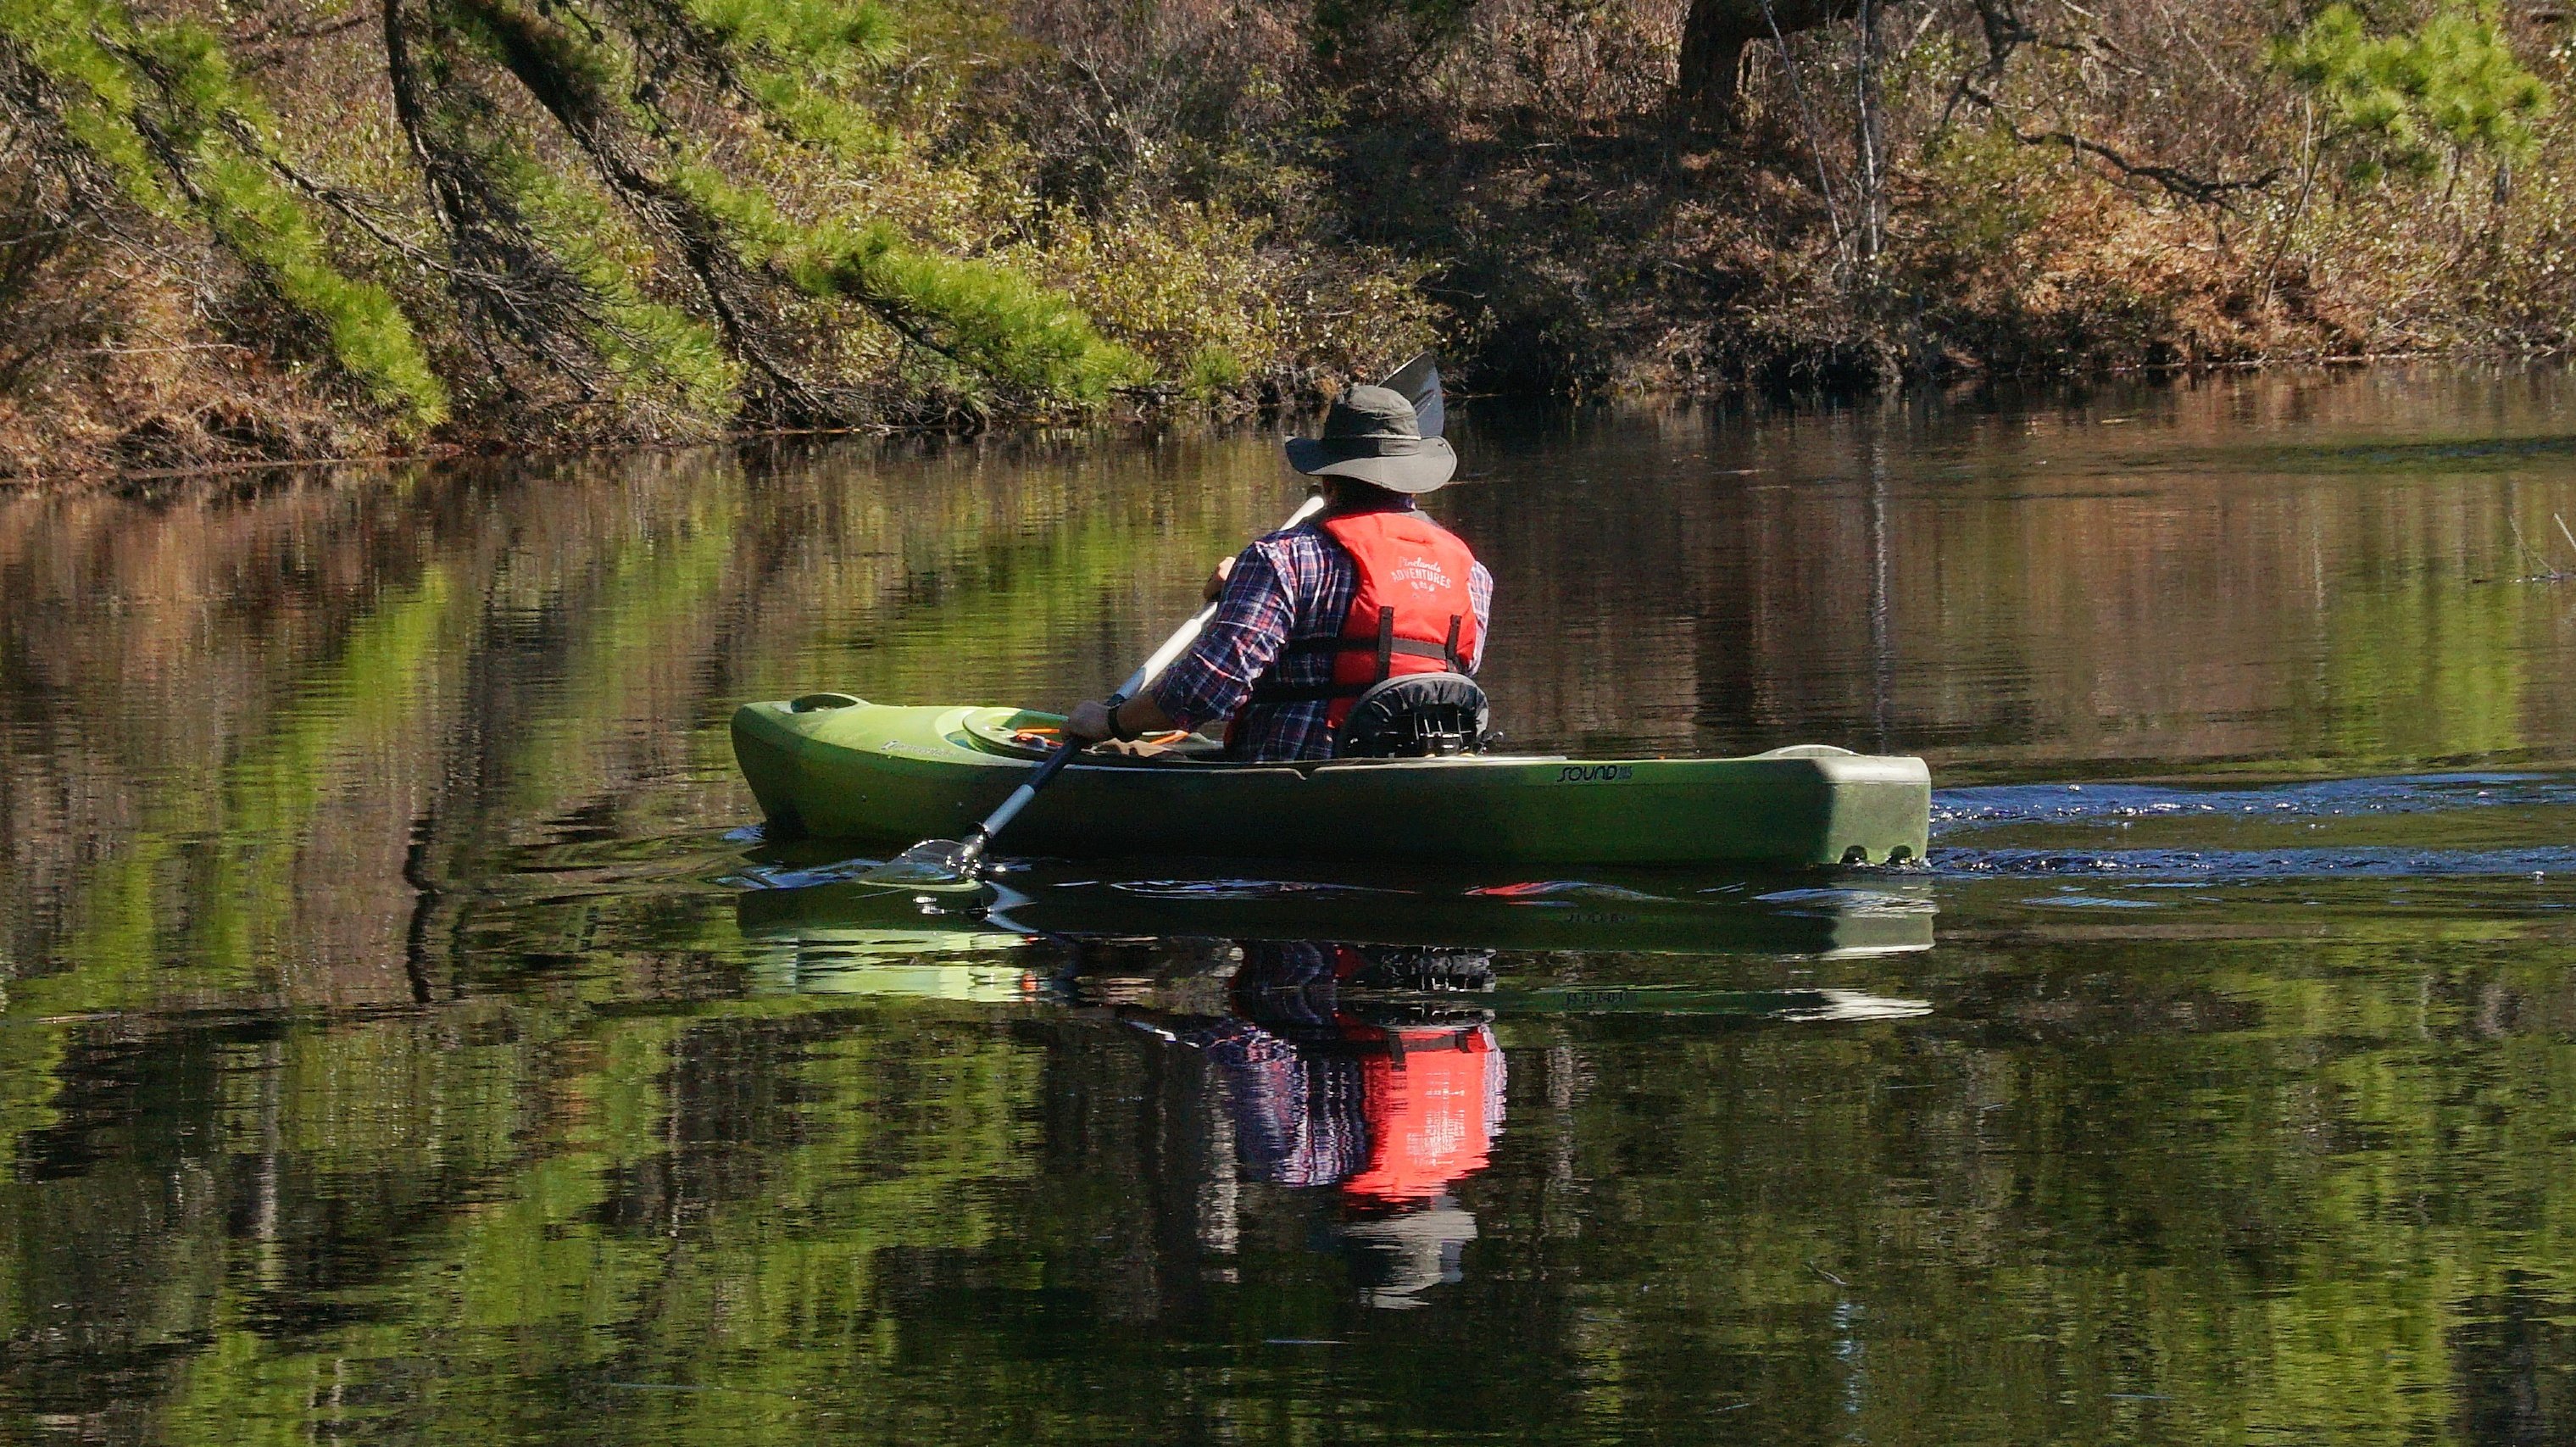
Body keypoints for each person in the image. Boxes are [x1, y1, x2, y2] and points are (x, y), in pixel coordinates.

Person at [1062, 384, 1494, 760]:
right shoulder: (1470, 570)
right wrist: (1243, 592)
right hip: (1427, 758)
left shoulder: (1281, 559)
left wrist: (1112, 723)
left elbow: (1206, 688)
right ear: (1413, 483)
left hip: (1305, 768)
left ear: (1327, 480)